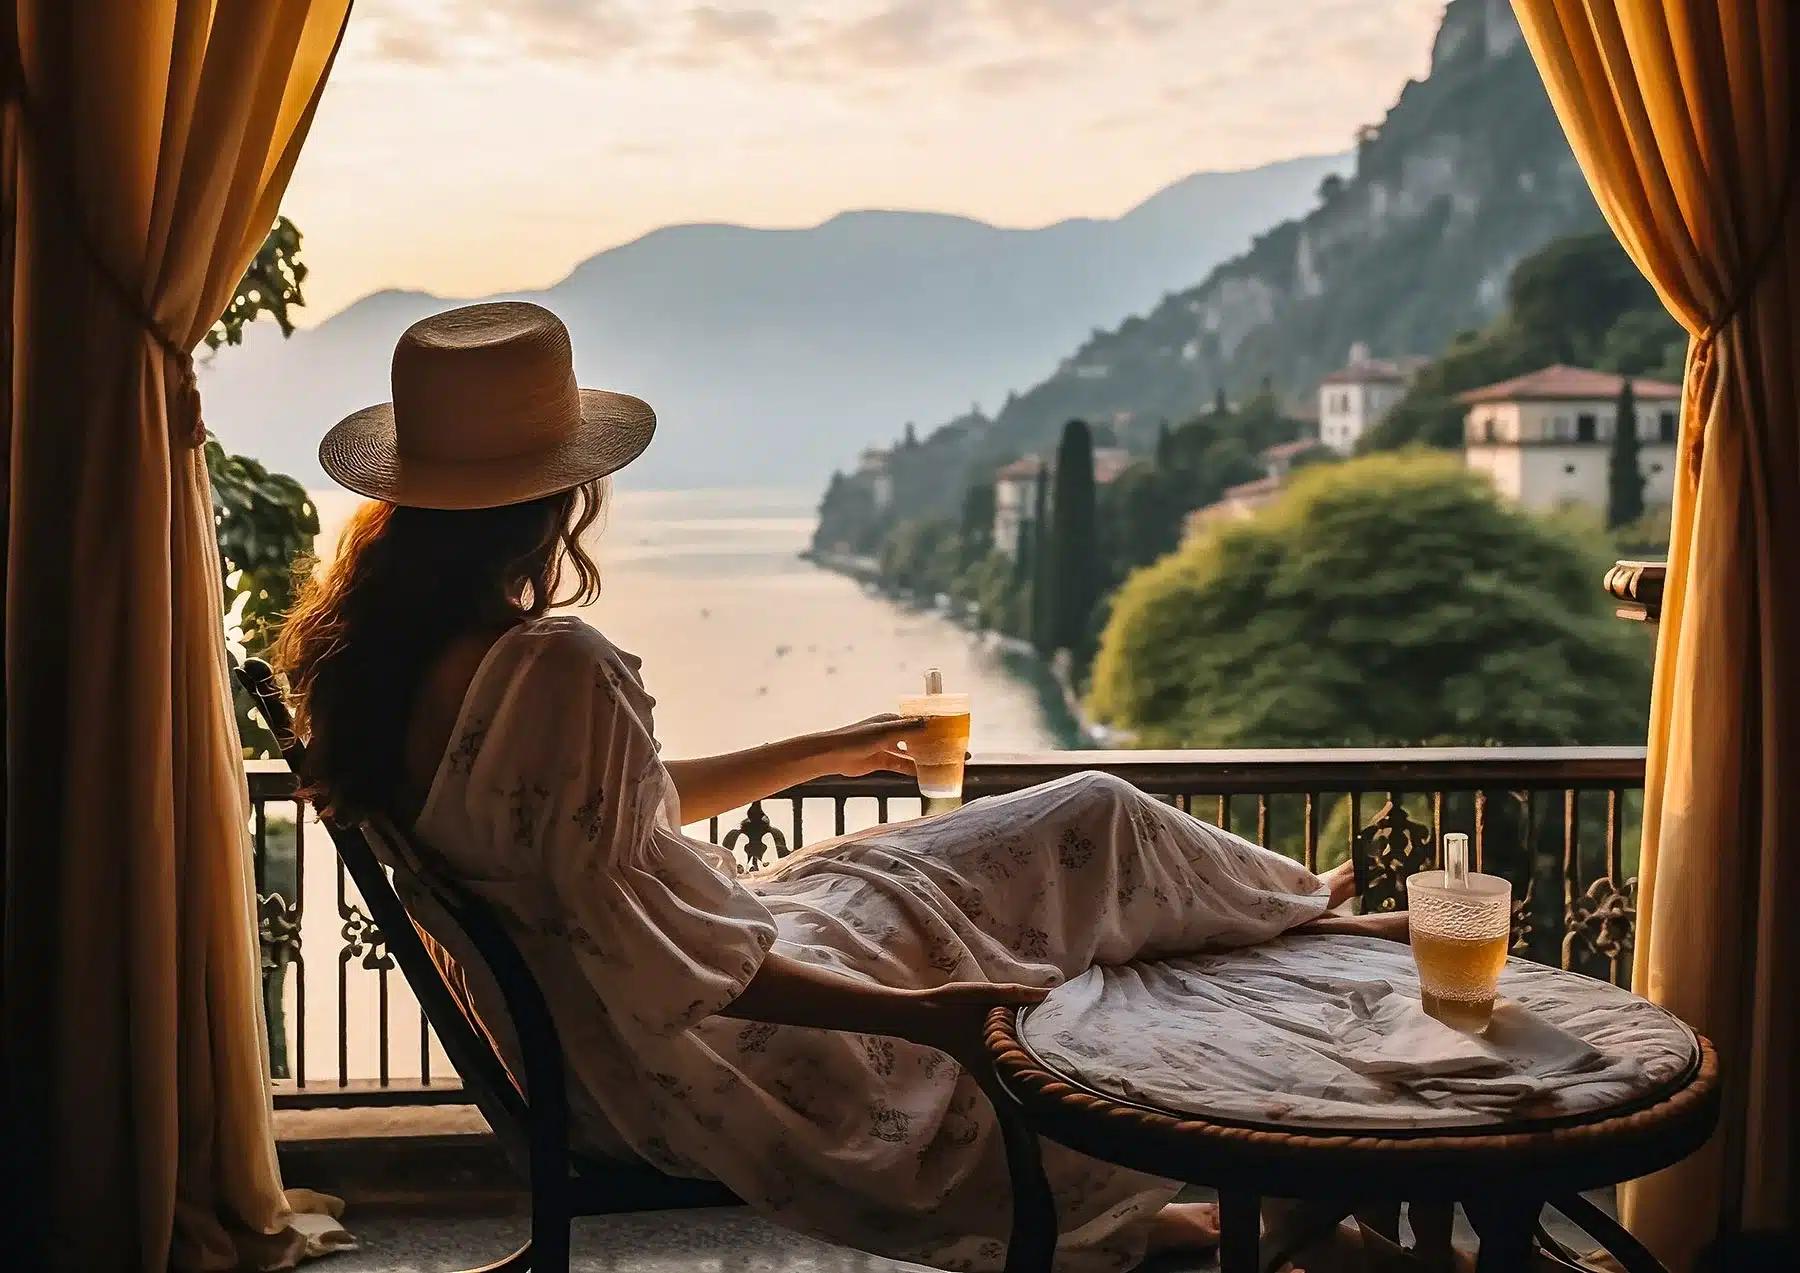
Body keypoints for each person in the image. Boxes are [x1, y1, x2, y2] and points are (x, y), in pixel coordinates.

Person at [279, 302, 1399, 1272]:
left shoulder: (382, 667)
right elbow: (671, 961)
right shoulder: (555, 667)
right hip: (710, 1054)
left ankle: (1302, 917)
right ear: (559, 496)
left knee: (1008, 850)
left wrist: (828, 747)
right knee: (1082, 832)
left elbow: (605, 825)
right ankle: (1312, 932)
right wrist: (923, 1018)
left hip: (605, 1049)